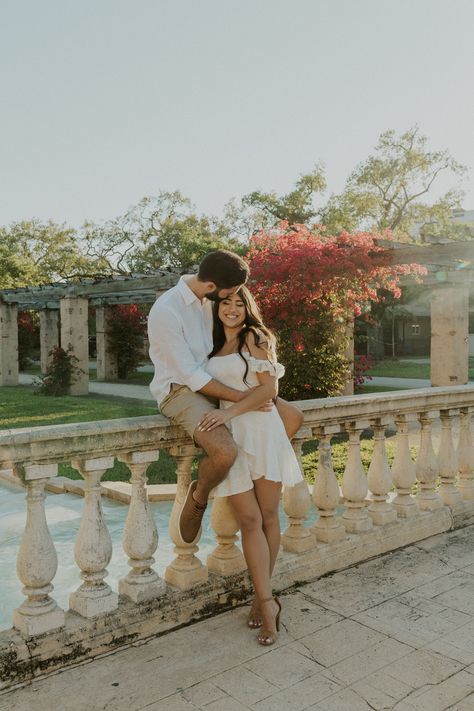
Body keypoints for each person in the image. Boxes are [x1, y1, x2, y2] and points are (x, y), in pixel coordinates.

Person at [147, 250, 303, 548]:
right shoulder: (166, 311)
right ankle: (199, 495)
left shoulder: (210, 300)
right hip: (180, 391)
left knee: (292, 417)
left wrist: (259, 374)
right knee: (225, 453)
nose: (231, 299)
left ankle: (256, 474)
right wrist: (248, 398)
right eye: (228, 294)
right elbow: (192, 376)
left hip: (219, 383)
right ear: (211, 287)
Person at [197, 286, 303, 645]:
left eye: (239, 302)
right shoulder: (209, 345)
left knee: (269, 517)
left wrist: (228, 411)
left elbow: (268, 389)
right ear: (216, 308)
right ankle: (266, 598)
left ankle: (264, 601)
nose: (231, 308)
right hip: (231, 439)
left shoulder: (255, 336)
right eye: (225, 302)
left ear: (248, 307)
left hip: (261, 433)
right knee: (249, 520)